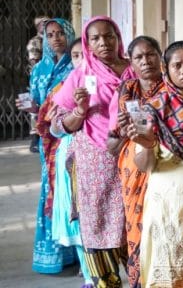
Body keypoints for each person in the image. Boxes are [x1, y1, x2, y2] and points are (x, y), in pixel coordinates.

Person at [51, 16, 135, 287]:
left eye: (109, 36)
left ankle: (136, 277)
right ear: (87, 43)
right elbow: (58, 126)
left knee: (133, 222)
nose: (103, 42)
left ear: (118, 37)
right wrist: (80, 110)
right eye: (95, 38)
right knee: (97, 223)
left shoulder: (134, 71)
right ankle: (104, 280)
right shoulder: (81, 76)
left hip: (132, 158)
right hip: (93, 165)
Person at [126, 41, 183, 287]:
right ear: (166, 70)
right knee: (172, 270)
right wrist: (148, 144)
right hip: (169, 205)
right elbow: (145, 165)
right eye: (177, 65)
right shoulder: (152, 109)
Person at [19, 18, 77, 274]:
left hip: (71, 138)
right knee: (51, 190)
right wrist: (33, 108)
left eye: (60, 33)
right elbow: (37, 102)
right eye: (50, 34)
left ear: (69, 35)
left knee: (72, 191)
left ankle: (79, 250)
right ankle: (54, 253)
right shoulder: (39, 70)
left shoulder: (76, 66)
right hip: (48, 140)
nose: (56, 39)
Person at [106, 36, 164, 287]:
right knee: (138, 232)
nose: (146, 61)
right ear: (132, 62)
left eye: (151, 54)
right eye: (139, 57)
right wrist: (122, 130)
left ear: (160, 57)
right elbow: (110, 145)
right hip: (133, 171)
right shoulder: (126, 91)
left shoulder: (172, 89)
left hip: (163, 169)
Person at [42, 37, 93, 287]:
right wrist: (75, 114)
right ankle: (89, 273)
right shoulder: (64, 88)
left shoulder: (108, 82)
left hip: (102, 158)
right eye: (75, 56)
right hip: (71, 159)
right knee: (79, 217)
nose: (80, 60)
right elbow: (53, 128)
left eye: (84, 54)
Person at [26, 16, 50, 153]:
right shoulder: (36, 42)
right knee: (35, 108)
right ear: (38, 26)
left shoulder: (49, 39)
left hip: (48, 78)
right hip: (39, 79)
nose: (47, 25)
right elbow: (34, 61)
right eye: (44, 23)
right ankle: (34, 139)